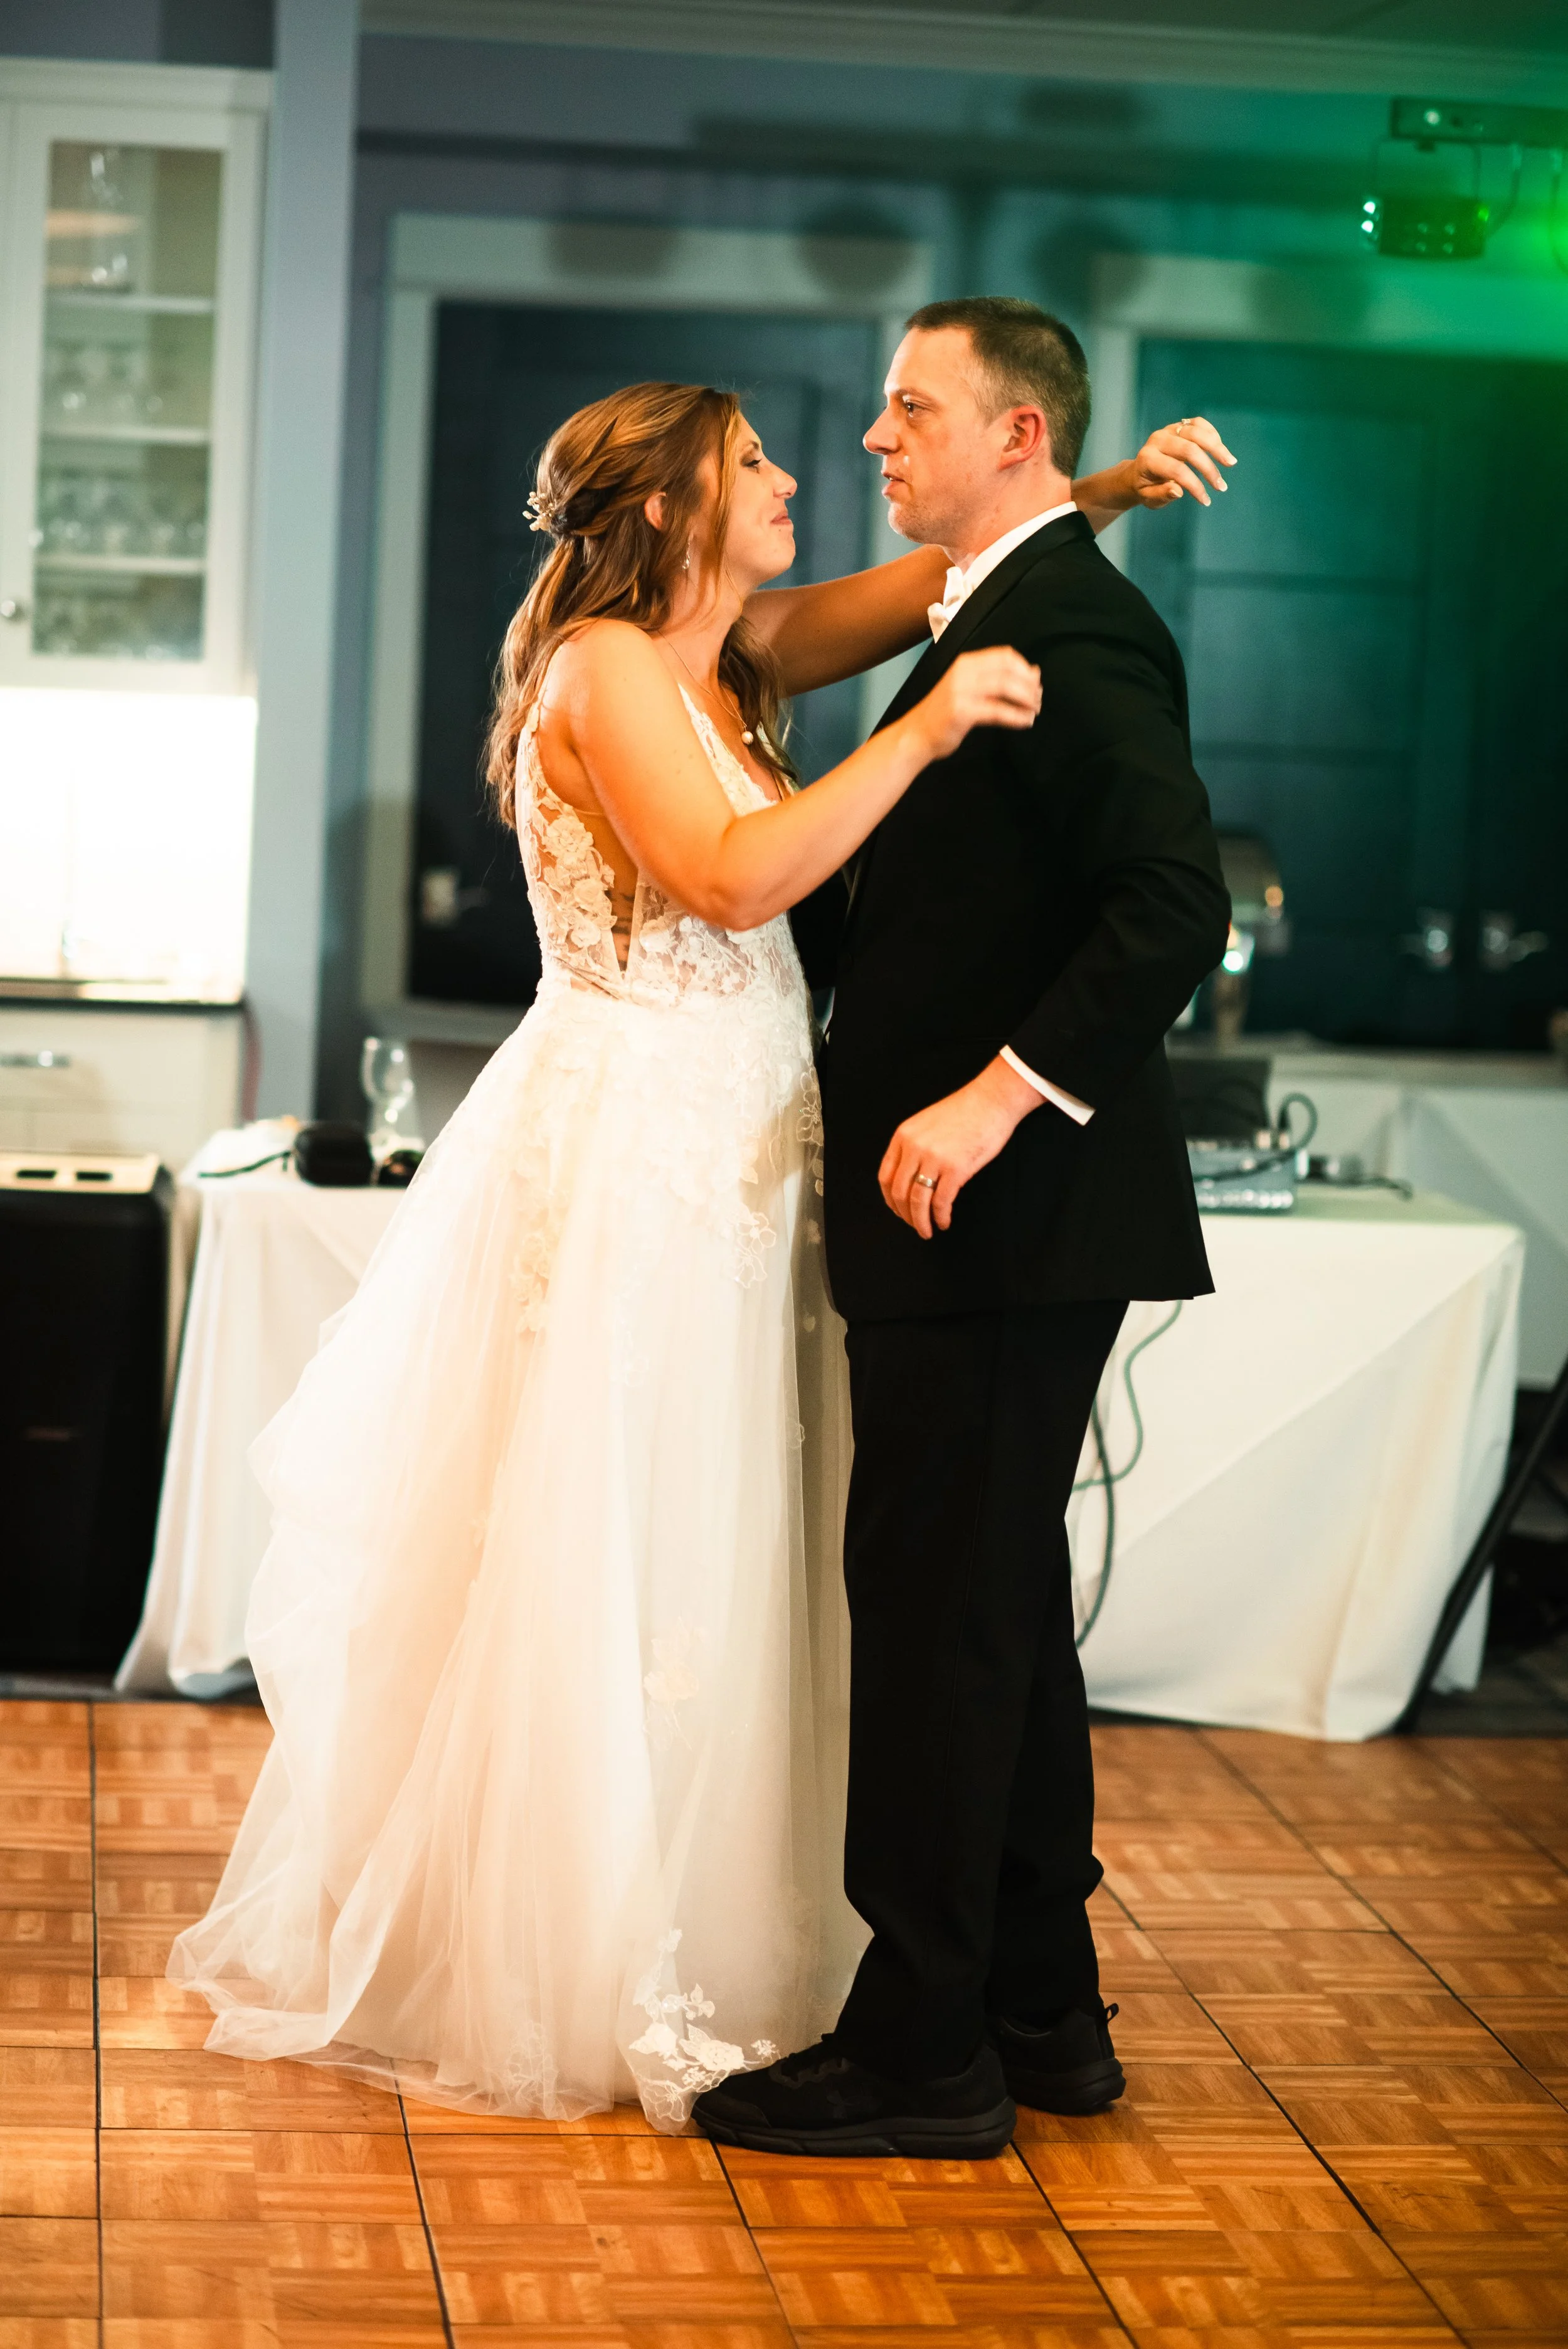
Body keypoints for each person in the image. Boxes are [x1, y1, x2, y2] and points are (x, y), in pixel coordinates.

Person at [169, 368, 1228, 2134]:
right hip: (649, 1158)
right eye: (752, 463)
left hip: (746, 1163)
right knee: (634, 1528)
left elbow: (935, 581)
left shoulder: (729, 658)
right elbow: (733, 881)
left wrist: (1091, 485)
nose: (806, 472)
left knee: (777, 1540)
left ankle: (870, 1957)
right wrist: (922, 732)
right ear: (667, 506)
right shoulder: (601, 667)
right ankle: (605, 1937)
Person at [694, 299, 1232, 2160]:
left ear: (1015, 439)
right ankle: (1037, 2009)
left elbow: (1170, 906)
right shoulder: (982, 611)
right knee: (992, 1612)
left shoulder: (1073, 623)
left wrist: (998, 1093)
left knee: (932, 1621)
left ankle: (919, 2052)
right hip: (977, 1216)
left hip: (999, 1204)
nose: (871, 436)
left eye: (911, 410)